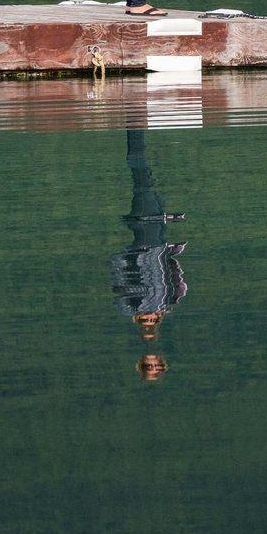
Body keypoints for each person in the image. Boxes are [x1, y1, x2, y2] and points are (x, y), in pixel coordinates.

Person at [110, 128, 187, 381]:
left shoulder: (129, 306)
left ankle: (135, 125)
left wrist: (135, 252)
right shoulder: (169, 302)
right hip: (157, 235)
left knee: (142, 178)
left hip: (145, 233)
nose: (150, 319)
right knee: (144, 180)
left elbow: (120, 271)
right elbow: (173, 270)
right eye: (155, 366)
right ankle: (136, 127)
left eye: (149, 366)